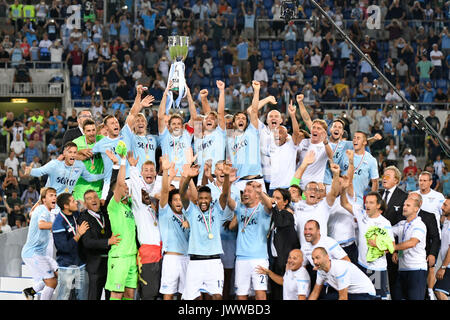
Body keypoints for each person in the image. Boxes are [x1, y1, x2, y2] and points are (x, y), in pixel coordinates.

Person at [179, 160, 232, 300]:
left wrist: (226, 176)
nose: (203, 201)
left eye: (206, 198)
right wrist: (189, 177)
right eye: (201, 198)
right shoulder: (191, 211)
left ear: (210, 199)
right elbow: (182, 193)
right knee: (193, 299)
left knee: (217, 296)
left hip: (214, 261)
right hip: (195, 262)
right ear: (197, 200)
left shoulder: (217, 211)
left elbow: (225, 195)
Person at [340, 191, 394, 300]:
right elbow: (344, 203)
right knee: (362, 297)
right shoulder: (361, 214)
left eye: (371, 203)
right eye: (366, 202)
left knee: (377, 298)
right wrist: (343, 189)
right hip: (361, 266)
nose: (367, 205)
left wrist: (377, 244)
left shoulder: (385, 223)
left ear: (378, 205)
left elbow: (391, 247)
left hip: (376, 268)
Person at [227, 180, 273, 300]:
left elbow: (269, 205)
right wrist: (228, 182)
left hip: (259, 259)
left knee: (260, 293)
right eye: (244, 191)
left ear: (257, 195)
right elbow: (229, 202)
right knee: (241, 294)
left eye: (249, 191)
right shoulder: (241, 208)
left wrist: (261, 192)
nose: (245, 193)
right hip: (241, 258)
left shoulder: (263, 209)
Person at [125, 152, 162, 300]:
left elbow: (158, 188)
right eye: (145, 170)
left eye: (151, 170)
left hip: (161, 250)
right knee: (148, 293)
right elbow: (135, 185)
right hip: (147, 251)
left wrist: (162, 172)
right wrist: (133, 167)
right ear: (141, 173)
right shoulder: (139, 202)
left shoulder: (155, 200)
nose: (149, 172)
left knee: (158, 292)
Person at [105, 153, 138, 300]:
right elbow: (119, 183)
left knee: (130, 294)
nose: (126, 188)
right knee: (117, 294)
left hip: (132, 256)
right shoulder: (114, 205)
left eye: (127, 186)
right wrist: (123, 161)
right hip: (119, 257)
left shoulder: (130, 207)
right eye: (124, 186)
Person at [158, 155, 190, 300]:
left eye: (180, 199)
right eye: (175, 200)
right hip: (171, 258)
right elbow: (164, 192)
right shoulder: (165, 212)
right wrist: (165, 172)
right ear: (170, 202)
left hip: (187, 258)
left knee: (186, 295)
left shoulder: (187, 215)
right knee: (168, 294)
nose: (178, 202)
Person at [227, 81, 266, 191]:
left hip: (256, 180)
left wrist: (256, 91)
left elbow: (253, 111)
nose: (241, 120)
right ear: (234, 123)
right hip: (238, 182)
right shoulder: (229, 140)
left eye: (243, 118)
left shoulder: (251, 131)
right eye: (238, 118)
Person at [25, 142, 104, 195]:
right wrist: (30, 171)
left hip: (65, 204)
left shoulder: (80, 166)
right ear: (64, 153)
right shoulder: (55, 164)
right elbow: (40, 172)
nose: (73, 155)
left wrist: (105, 175)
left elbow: (90, 177)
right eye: (70, 152)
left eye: (74, 152)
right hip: (51, 202)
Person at [21, 187, 58, 301]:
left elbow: (33, 215)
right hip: (32, 253)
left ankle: (29, 291)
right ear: (43, 199)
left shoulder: (44, 210)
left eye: (55, 195)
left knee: (57, 275)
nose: (54, 197)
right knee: (51, 282)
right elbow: (41, 225)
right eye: (51, 195)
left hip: (40, 254)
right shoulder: (42, 209)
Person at [157, 82, 196, 188]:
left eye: (179, 123)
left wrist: (188, 95)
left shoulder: (187, 135)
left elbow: (194, 117)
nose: (176, 126)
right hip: (169, 178)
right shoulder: (164, 136)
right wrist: (165, 94)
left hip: (184, 178)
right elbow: (160, 116)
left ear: (182, 126)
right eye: (173, 124)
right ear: (168, 126)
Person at [52, 193, 89, 300]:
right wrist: (78, 234)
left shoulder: (75, 214)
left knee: (82, 297)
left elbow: (83, 213)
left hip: (80, 264)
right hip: (66, 266)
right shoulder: (58, 223)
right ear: (66, 206)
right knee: (63, 297)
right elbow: (64, 248)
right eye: (73, 201)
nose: (76, 202)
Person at [266, 188, 300, 300]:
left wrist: (274, 205)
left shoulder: (288, 215)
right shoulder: (274, 215)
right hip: (275, 260)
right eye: (273, 197)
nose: (274, 200)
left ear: (285, 202)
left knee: (283, 293)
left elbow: (280, 223)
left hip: (285, 262)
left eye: (278, 198)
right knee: (275, 293)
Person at [391, 198, 428, 300]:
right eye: (404, 205)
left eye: (408, 205)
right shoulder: (402, 224)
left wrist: (393, 247)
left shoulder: (419, 225)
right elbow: (388, 233)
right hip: (402, 269)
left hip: (416, 270)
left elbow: (412, 242)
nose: (404, 207)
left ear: (416, 209)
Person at [407, 192, 441, 300]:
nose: (409, 202)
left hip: (422, 258)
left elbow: (435, 237)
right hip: (404, 258)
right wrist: (396, 252)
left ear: (419, 204)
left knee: (419, 289)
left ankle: (428, 293)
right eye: (408, 200)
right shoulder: (401, 216)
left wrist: (432, 254)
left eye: (413, 200)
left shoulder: (429, 217)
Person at [308, 247, 376, 300]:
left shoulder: (339, 268)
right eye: (313, 259)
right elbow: (315, 293)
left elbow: (343, 298)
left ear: (327, 257)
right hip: (350, 293)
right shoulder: (320, 270)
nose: (315, 262)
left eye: (317, 258)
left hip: (365, 294)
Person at [72, 119, 105, 201]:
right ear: (84, 132)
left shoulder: (102, 139)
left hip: (97, 187)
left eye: (93, 130)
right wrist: (79, 152)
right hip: (80, 187)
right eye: (88, 131)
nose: (92, 133)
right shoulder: (77, 142)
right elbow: (66, 156)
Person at [434, 197, 450, 300]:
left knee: (439, 291)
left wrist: (443, 267)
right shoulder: (446, 221)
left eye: (445, 205)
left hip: (448, 266)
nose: (442, 207)